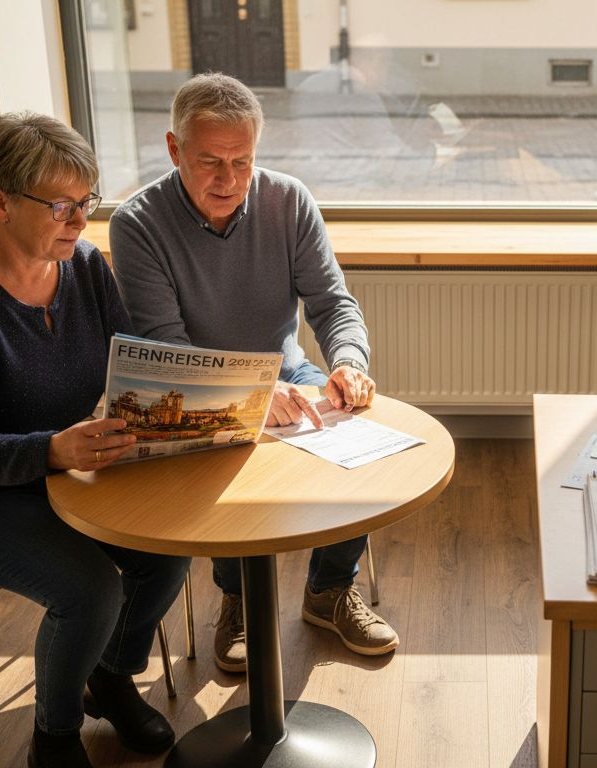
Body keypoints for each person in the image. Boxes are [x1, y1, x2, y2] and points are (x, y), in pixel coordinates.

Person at [0, 113, 190, 768]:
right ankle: (52, 740)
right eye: (61, 206)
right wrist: (54, 450)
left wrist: (194, 404)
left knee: (167, 549)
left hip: (59, 472)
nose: (81, 222)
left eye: (87, 202)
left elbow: (127, 364)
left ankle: (109, 675)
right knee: (89, 589)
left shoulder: (83, 265)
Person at [110, 73, 395, 672]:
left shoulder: (288, 200)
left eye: (242, 161)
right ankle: (237, 601)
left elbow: (332, 304)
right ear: (173, 149)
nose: (229, 179)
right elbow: (168, 348)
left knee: (357, 434)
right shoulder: (137, 223)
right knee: (226, 450)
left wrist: (347, 363)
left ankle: (329, 590)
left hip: (282, 361)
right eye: (210, 161)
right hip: (189, 382)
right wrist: (245, 400)